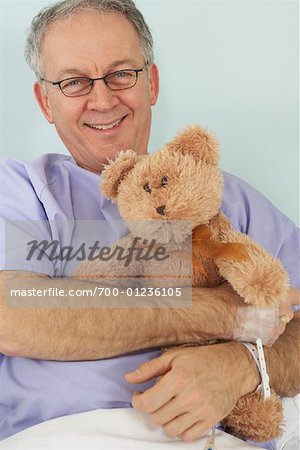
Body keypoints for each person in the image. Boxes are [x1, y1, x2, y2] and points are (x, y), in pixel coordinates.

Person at [0, 0, 299, 448]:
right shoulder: (22, 190)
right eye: (74, 82)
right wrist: (224, 315)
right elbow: (11, 314)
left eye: (122, 74)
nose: (102, 100)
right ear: (46, 101)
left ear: (152, 83)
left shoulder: (224, 196)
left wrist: (243, 364)